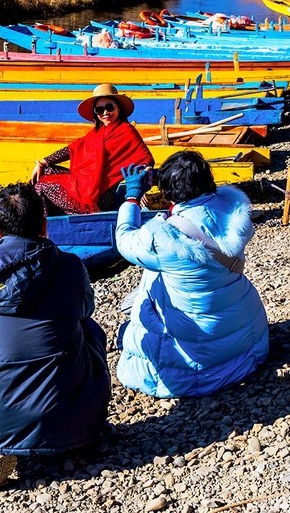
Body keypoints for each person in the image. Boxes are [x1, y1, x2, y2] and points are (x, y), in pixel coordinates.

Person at [0, 183, 112, 492]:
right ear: (45, 225)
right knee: (88, 329)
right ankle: (82, 429)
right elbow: (86, 309)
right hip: (73, 416)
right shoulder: (70, 267)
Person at [112, 150, 269, 398]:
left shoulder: (164, 236)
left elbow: (125, 241)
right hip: (248, 342)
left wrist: (132, 198)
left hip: (197, 368)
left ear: (168, 190)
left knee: (130, 325)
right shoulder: (233, 210)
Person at [29, 83, 154, 215]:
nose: (105, 113)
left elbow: (146, 160)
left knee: (40, 186)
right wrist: (42, 162)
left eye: (109, 107)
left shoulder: (127, 131)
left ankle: (43, 226)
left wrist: (140, 189)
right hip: (85, 182)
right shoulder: (97, 133)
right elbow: (71, 150)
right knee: (46, 172)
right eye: (99, 110)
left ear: (119, 108)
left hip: (102, 196)